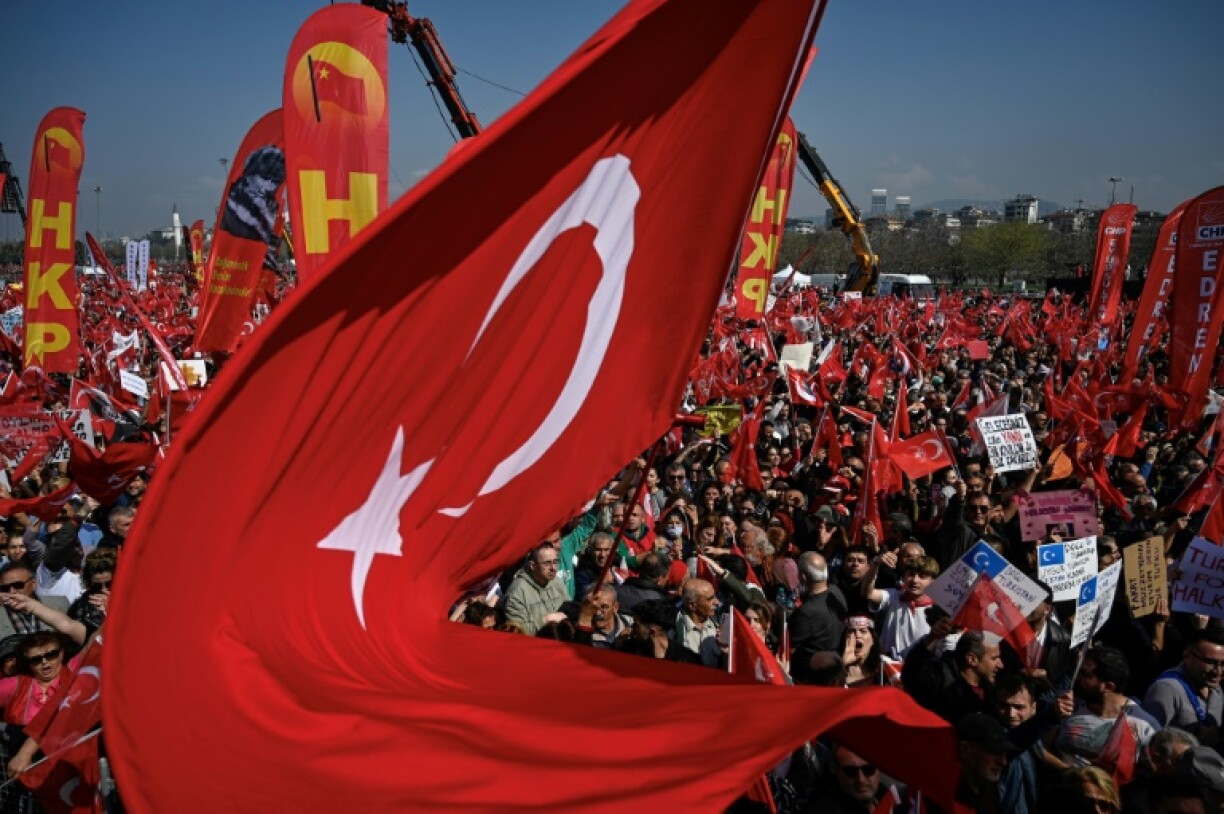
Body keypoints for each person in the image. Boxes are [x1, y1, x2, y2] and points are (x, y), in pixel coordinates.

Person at [903, 630, 1003, 725]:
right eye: (994, 658)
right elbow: (911, 677)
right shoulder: (939, 680)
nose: (1001, 665)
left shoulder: (992, 691)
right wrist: (930, 639)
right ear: (972, 659)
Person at [1143, 628, 1224, 742]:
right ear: (1187, 656)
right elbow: (1148, 739)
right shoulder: (1167, 689)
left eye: (1223, 664)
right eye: (1211, 662)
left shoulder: (1215, 687)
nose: (1218, 671)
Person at [862, 553, 940, 660]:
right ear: (904, 576)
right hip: (887, 667)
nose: (915, 580)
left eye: (922, 577)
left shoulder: (938, 608)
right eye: (911, 574)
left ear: (932, 582)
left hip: (920, 668)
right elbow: (868, 593)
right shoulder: (893, 596)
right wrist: (876, 564)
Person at [503, 543, 570, 636]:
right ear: (532, 565)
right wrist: (545, 620)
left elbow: (569, 610)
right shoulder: (517, 592)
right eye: (547, 563)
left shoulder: (557, 582)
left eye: (555, 562)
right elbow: (516, 632)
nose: (553, 568)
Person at [0, 563, 70, 640]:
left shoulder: (59, 604)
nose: (12, 592)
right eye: (5, 588)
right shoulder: (2, 615)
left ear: (33, 584)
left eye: (18, 585)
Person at [673, 578, 720, 666]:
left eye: (715, 596)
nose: (717, 602)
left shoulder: (719, 624)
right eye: (710, 599)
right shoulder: (674, 628)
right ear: (692, 605)